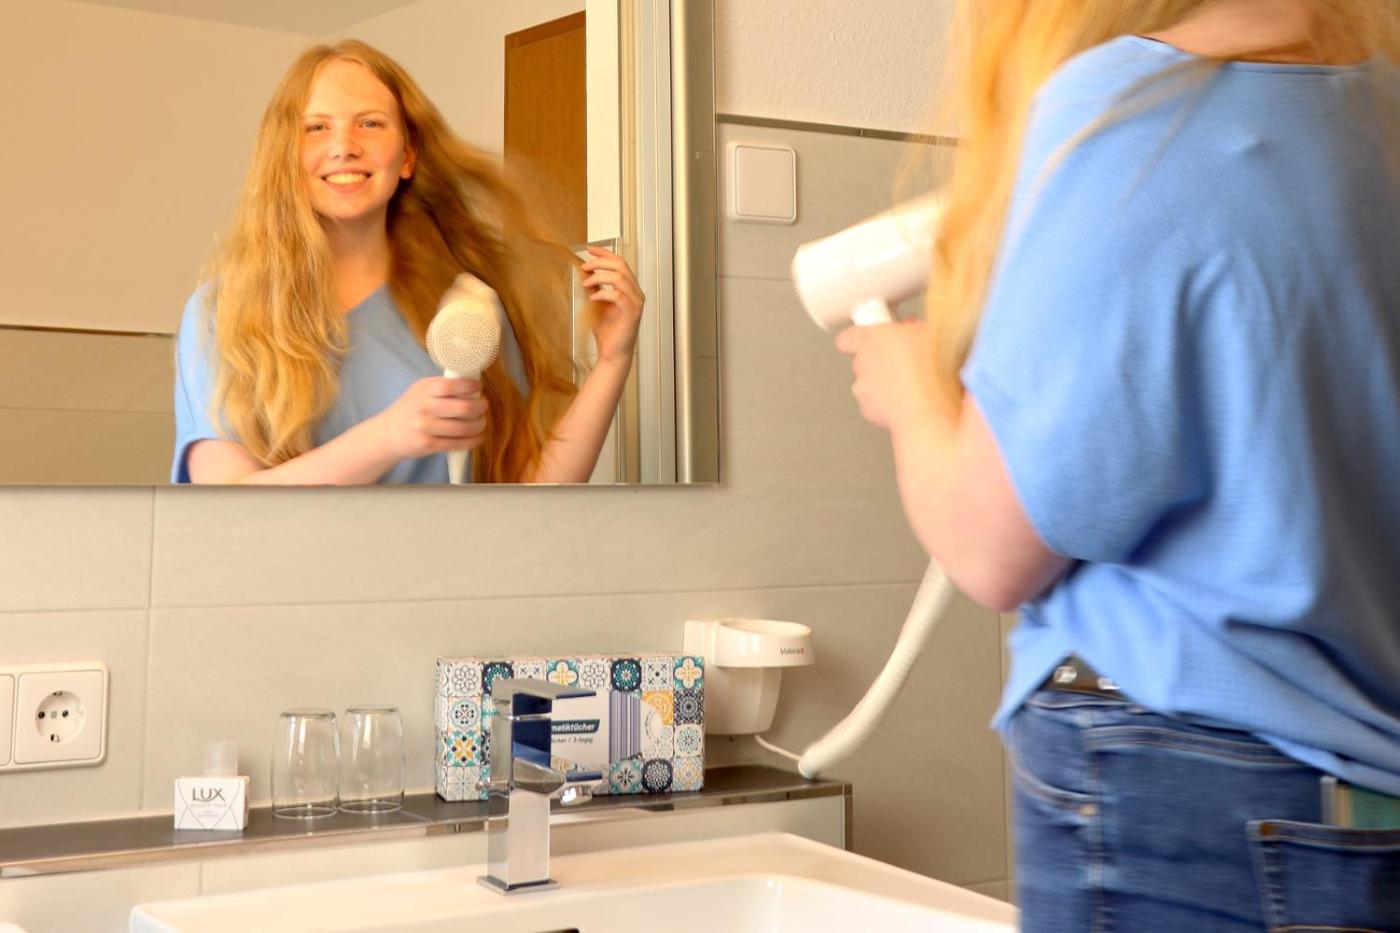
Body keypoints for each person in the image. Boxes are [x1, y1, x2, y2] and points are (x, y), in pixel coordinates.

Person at [837, 0, 1399, 928]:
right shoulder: (1373, 106)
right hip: (1359, 799)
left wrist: (909, 388)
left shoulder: (1133, 108)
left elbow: (991, 546)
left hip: (1179, 793)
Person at [172, 39, 644, 484]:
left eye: (370, 124)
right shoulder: (223, 315)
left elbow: (532, 496)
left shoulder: (466, 313)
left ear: (407, 156)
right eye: (316, 127)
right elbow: (225, 507)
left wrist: (612, 361)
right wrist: (387, 438)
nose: (344, 146)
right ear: (286, 156)